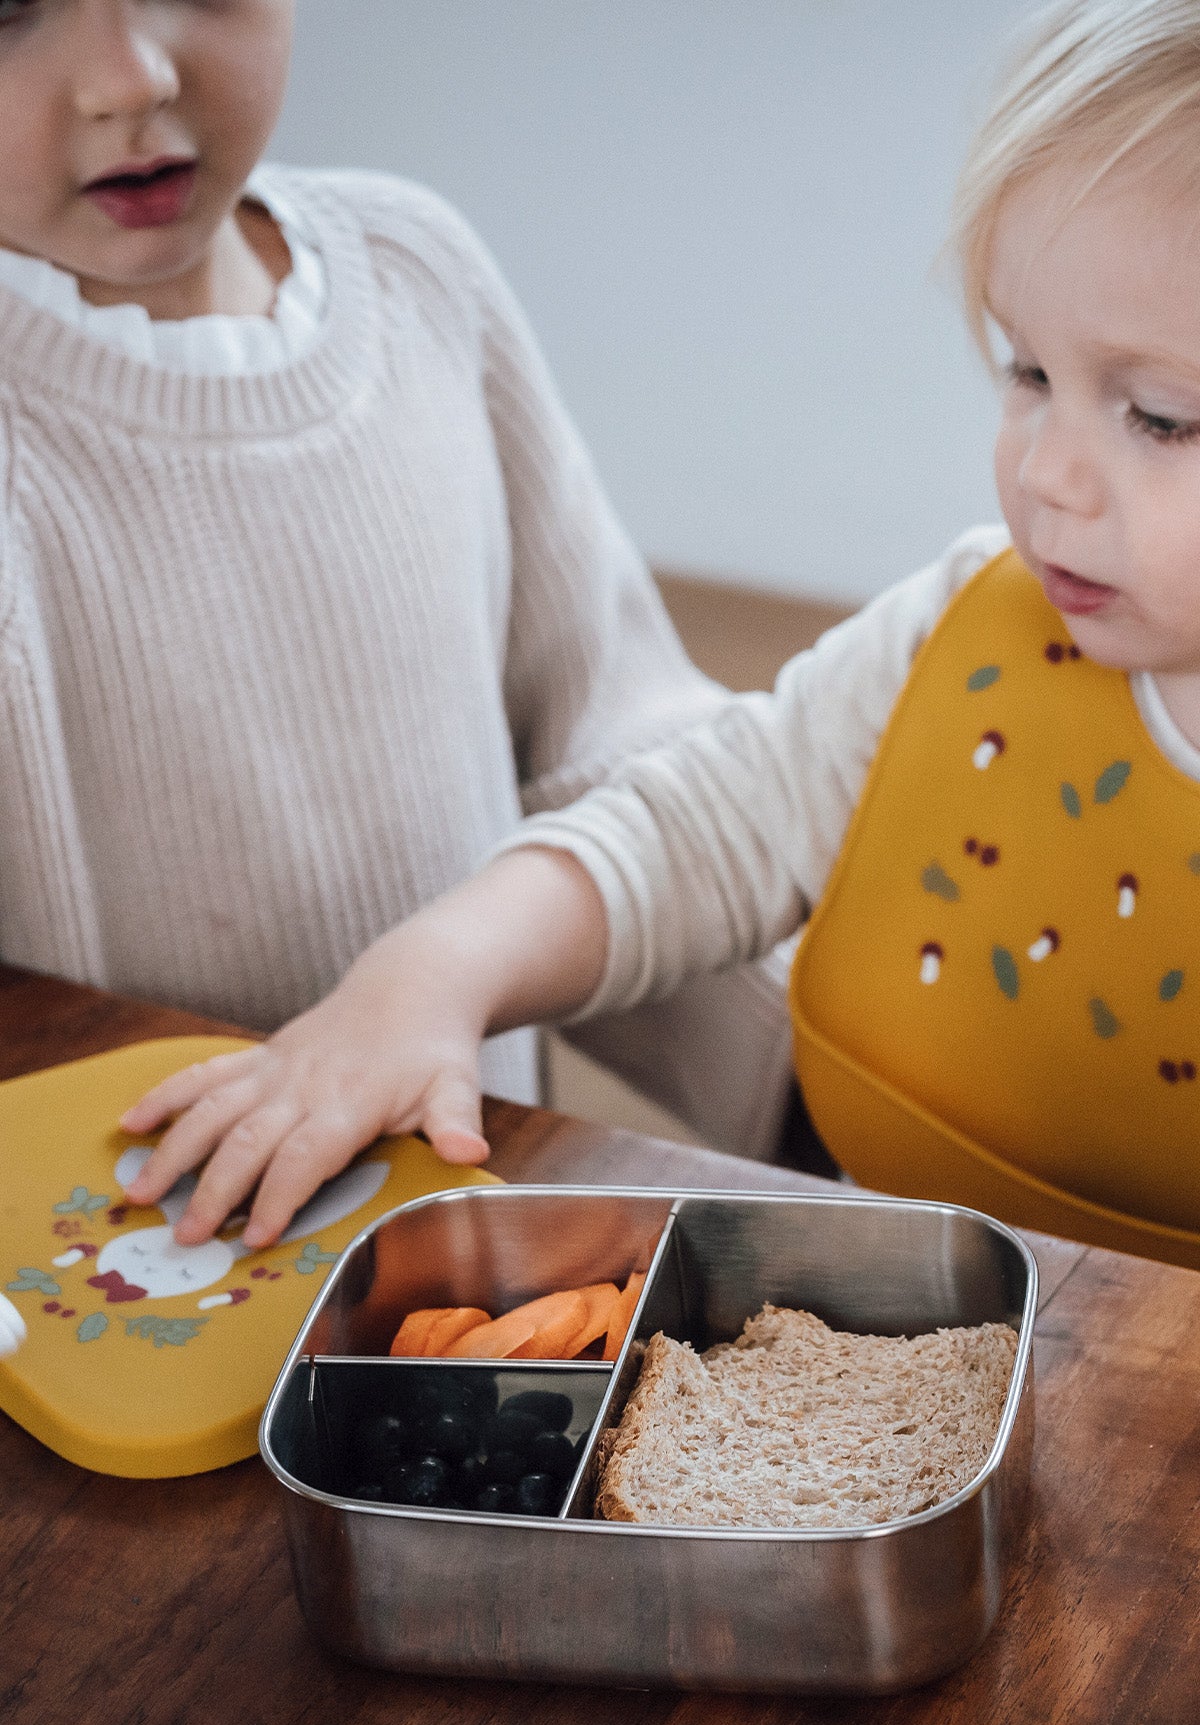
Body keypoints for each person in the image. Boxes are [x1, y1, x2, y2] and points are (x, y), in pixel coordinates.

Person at [131, 0, 1200, 1270]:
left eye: (1157, 416)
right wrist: (429, 974)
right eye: (1027, 374)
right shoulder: (952, 635)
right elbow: (695, 827)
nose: (1046, 472)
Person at [0, 1, 798, 1239]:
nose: (130, 76)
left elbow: (614, 765)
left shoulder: (417, 270)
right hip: (112, 1296)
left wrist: (850, 1083)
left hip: (464, 1259)